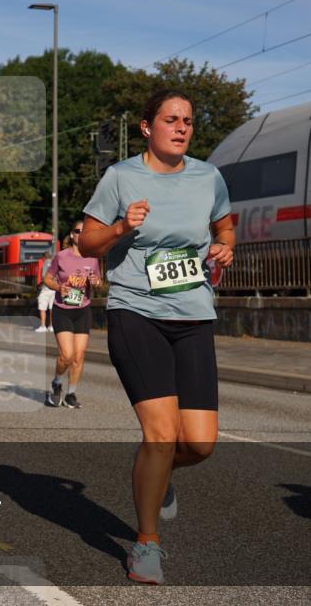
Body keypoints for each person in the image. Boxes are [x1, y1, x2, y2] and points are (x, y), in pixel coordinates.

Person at [80, 89, 235, 585]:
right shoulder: (120, 177)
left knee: (201, 444)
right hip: (136, 312)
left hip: (193, 314)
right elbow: (86, 241)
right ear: (147, 127)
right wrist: (121, 226)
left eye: (187, 120)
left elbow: (225, 228)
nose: (182, 127)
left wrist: (225, 247)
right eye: (171, 119)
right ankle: (146, 545)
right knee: (162, 434)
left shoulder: (208, 177)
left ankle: (159, 470)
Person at [42, 221, 104, 409]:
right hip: (62, 310)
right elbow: (47, 278)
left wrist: (95, 282)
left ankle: (70, 394)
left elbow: (98, 283)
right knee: (66, 355)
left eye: (85, 232)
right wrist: (59, 287)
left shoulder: (93, 258)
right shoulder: (61, 256)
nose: (81, 234)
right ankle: (56, 382)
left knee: (78, 356)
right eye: (78, 231)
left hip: (83, 310)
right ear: (72, 234)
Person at [35, 249, 55, 332]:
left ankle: (43, 326)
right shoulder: (55, 263)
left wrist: (39, 285)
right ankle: (51, 326)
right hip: (54, 288)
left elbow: (44, 276)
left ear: (44, 257)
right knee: (52, 308)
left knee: (42, 307)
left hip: (46, 288)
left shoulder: (46, 263)